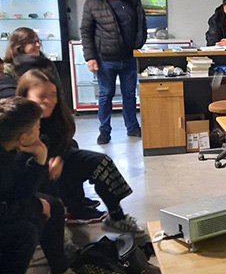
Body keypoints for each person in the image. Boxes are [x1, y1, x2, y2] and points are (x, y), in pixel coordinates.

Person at [16, 70, 144, 235]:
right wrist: (43, 162)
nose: (49, 101)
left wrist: (59, 158)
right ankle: (57, 230)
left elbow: (63, 142)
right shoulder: (19, 121)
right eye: (41, 96)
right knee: (48, 180)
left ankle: (116, 217)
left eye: (53, 95)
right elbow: (16, 163)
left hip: (59, 158)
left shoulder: (58, 114)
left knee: (101, 163)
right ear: (25, 96)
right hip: (30, 170)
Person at [0, 97, 92, 274]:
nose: (40, 130)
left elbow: (19, 191)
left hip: (6, 206)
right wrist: (35, 205)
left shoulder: (10, 147)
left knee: (52, 206)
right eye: (37, 127)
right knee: (26, 232)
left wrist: (40, 158)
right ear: (24, 137)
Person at [80, 0, 147, 145]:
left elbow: (141, 20)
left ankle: (132, 127)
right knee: (106, 95)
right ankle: (104, 131)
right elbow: (85, 31)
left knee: (129, 95)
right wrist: (90, 57)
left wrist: (140, 43)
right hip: (105, 59)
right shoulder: (93, 2)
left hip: (129, 57)